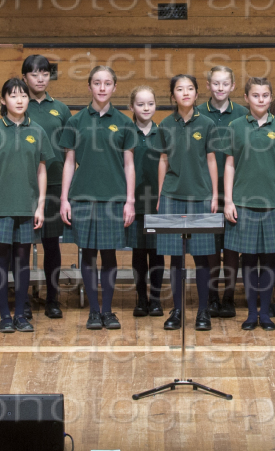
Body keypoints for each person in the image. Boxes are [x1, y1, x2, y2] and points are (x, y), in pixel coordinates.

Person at [59, 65, 137, 331]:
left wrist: (130, 200)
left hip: (114, 199)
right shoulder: (75, 121)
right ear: (89, 86)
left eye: (107, 83)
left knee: (110, 255)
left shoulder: (125, 123)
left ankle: (108, 310)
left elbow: (129, 165)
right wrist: (64, 199)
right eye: (97, 83)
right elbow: (69, 163)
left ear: (115, 87)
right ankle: (93, 311)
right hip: (82, 198)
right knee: (88, 255)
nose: (102, 88)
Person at [222, 77, 275, 331]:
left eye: (265, 95)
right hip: (243, 204)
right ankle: (250, 313)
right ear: (246, 98)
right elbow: (229, 165)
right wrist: (228, 201)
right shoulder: (235, 126)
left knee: (268, 261)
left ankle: (265, 313)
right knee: (248, 261)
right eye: (255, 95)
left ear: (271, 98)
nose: (261, 100)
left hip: (274, 205)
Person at [0, 78, 50, 333]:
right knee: (0, 260)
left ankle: (20, 314)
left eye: (23, 95)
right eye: (13, 95)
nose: (19, 100)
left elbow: (42, 171)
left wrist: (40, 207)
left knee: (22, 261)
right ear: (3, 99)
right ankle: (4, 316)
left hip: (27, 208)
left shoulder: (37, 131)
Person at [154, 74, 219, 330]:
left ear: (196, 93)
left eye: (190, 88)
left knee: (202, 257)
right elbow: (163, 161)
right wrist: (160, 195)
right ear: (173, 95)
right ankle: (177, 310)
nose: (185, 92)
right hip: (171, 196)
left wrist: (215, 194)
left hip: (200, 197)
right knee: (176, 258)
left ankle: (203, 311)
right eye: (180, 89)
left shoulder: (207, 123)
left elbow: (212, 160)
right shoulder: (165, 124)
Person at [22, 53, 72, 318]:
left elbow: (70, 150)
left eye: (44, 73)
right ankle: (22, 300)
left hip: (53, 185)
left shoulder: (61, 109)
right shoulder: (19, 104)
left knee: (51, 244)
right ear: (25, 78)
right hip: (23, 186)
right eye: (34, 74)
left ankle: (52, 298)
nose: (40, 78)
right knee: (21, 245)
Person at [199, 65, 248, 317]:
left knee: (231, 247)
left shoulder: (243, 114)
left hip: (234, 192)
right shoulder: (197, 113)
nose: (220, 88)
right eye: (215, 83)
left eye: (225, 83)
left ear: (233, 86)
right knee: (209, 246)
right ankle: (212, 297)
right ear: (208, 85)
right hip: (205, 191)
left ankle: (229, 297)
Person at [128, 84, 165, 318]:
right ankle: (141, 298)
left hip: (157, 203)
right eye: (140, 104)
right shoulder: (125, 133)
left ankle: (156, 299)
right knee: (139, 252)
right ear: (132, 107)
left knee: (157, 252)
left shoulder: (162, 133)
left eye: (150, 103)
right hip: (134, 203)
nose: (146, 108)